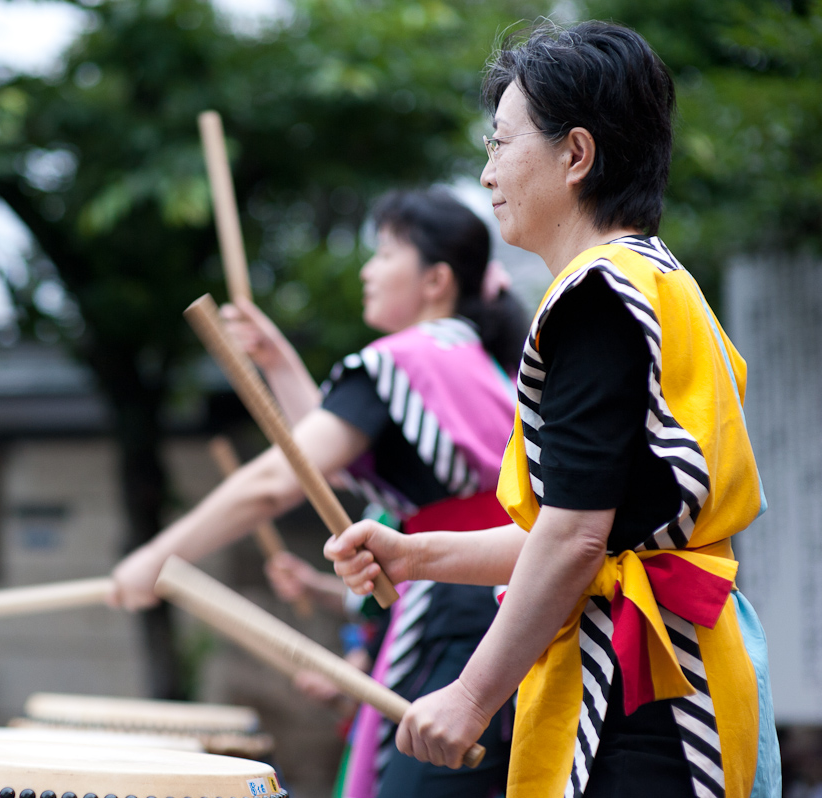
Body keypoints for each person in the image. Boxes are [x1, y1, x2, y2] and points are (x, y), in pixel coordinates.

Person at [325, 21, 780, 798]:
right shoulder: (663, 282)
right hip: (677, 672)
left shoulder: (596, 296)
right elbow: (584, 537)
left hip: (639, 696)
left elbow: (574, 540)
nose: (487, 170)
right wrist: (417, 555)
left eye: (501, 144)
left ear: (575, 154)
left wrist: (471, 695)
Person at [112, 187, 527, 797]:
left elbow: (279, 479)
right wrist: (279, 361)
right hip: (505, 605)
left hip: (461, 619)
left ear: (436, 279)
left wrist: (157, 557)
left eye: (385, 253)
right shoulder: (472, 362)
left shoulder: (405, 360)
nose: (368, 270)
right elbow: (325, 455)